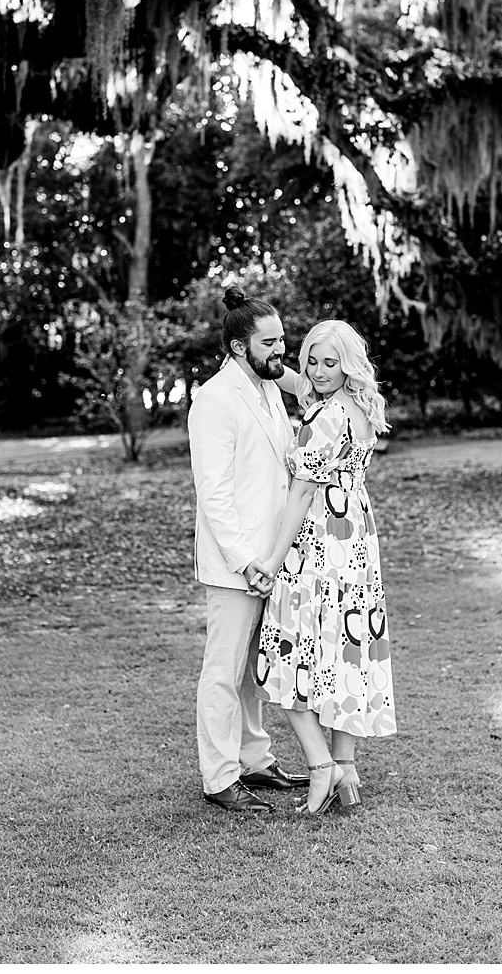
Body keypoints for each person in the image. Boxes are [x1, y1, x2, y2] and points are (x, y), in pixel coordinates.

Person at [253, 319, 397, 814]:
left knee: (289, 654)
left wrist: (272, 560)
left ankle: (321, 766)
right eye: (310, 359)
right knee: (341, 652)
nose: (315, 370)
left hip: (317, 545)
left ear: (348, 365)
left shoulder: (323, 419)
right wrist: (289, 373)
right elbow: (307, 385)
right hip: (354, 542)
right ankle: (347, 769)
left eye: (329, 362)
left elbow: (302, 492)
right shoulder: (358, 407)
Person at [186, 284, 310, 813]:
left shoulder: (266, 388)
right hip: (237, 562)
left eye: (283, 338)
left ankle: (256, 760)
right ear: (239, 347)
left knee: (254, 671)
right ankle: (219, 778)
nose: (281, 349)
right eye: (270, 342)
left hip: (273, 556)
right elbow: (213, 494)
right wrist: (247, 562)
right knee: (223, 670)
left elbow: (306, 397)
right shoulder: (214, 400)